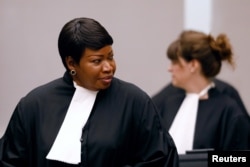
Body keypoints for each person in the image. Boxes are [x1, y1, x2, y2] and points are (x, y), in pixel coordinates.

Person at [0, 17, 179, 167]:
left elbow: (162, 160)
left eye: (110, 56)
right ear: (72, 63)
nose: (108, 67)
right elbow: (9, 161)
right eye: (97, 61)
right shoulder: (34, 105)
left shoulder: (135, 101)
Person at [152, 30, 250, 154]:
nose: (169, 68)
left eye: (175, 62)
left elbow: (238, 158)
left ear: (193, 65)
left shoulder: (228, 111)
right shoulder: (169, 104)